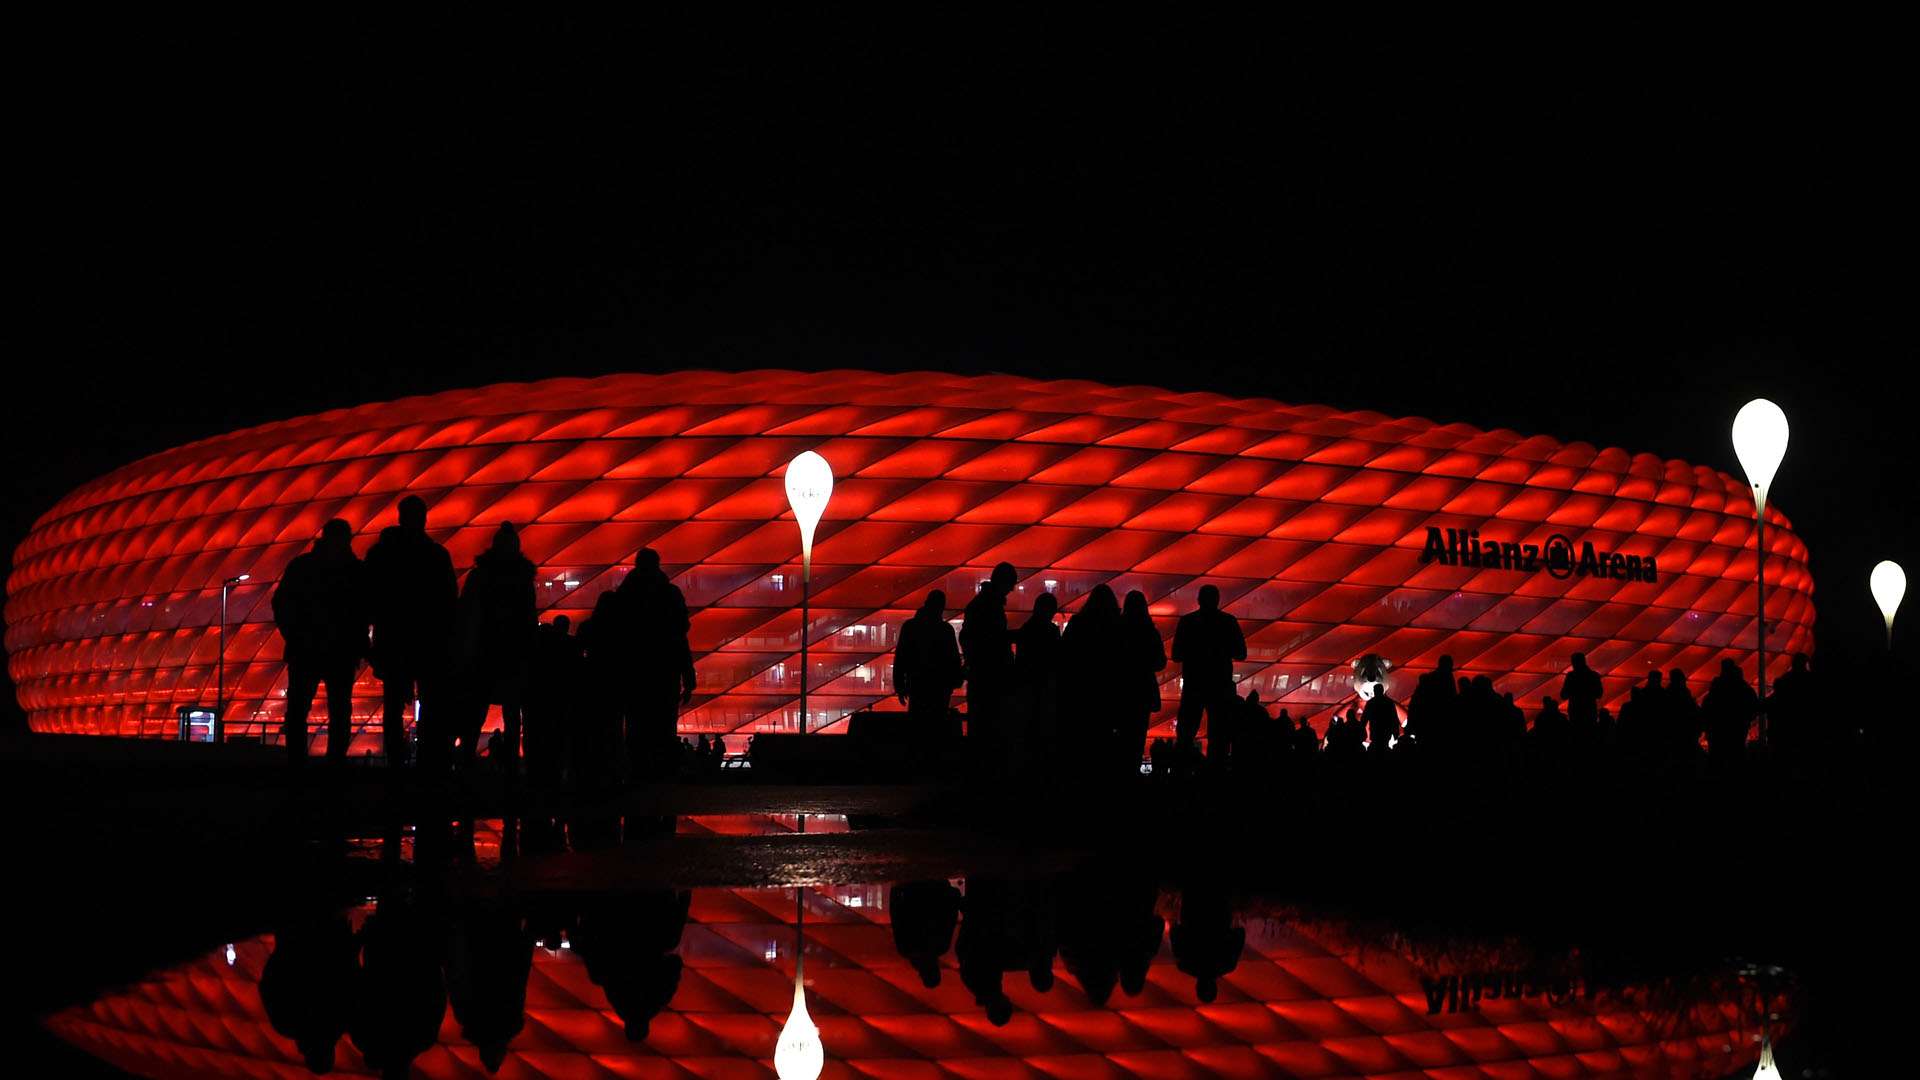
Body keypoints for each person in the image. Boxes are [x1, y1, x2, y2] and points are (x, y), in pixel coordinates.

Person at [363, 495, 458, 768]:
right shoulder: (436, 554)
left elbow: (367, 596)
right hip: (428, 642)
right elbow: (448, 600)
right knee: (428, 702)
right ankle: (429, 762)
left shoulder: (382, 553)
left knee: (393, 704)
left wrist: (370, 638)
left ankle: (395, 761)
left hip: (393, 640)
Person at [271, 518, 366, 764]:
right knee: (337, 709)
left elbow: (281, 603)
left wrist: (292, 634)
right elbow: (364, 610)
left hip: (307, 648)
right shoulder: (354, 571)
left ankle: (298, 762)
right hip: (336, 650)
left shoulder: (303, 566)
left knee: (301, 708)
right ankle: (333, 761)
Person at [449, 522, 537, 776]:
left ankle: (466, 761)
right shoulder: (522, 580)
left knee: (475, 710)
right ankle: (511, 766)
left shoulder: (480, 576)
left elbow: (466, 613)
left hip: (483, 653)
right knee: (512, 712)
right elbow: (529, 620)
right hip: (512, 655)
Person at [616, 548, 697, 781]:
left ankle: (637, 774)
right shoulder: (670, 594)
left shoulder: (625, 595)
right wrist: (688, 676)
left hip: (633, 672)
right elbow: (680, 636)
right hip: (665, 672)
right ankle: (662, 776)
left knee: (635, 726)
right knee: (664, 726)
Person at [1171, 584, 1246, 761]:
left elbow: (1176, 655)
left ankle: (1181, 773)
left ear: (1199, 600)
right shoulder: (1228, 622)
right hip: (1220, 686)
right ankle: (1215, 776)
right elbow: (1241, 653)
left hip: (1194, 684)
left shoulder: (1187, 622)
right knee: (1219, 736)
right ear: (1218, 600)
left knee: (1186, 733)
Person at [1060, 584, 1125, 769]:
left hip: (1082, 691)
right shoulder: (1117, 625)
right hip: (1107, 691)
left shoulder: (1078, 622)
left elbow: (1066, 656)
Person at [960, 563, 1018, 756]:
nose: (1012, 588)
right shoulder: (989, 606)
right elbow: (991, 639)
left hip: (982, 676)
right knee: (990, 726)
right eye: (1011, 583)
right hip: (990, 677)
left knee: (982, 726)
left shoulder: (980, 604)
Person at [895, 590, 964, 743]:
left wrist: (900, 686)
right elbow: (953, 660)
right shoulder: (945, 630)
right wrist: (956, 680)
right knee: (936, 731)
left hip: (917, 685)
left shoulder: (910, 627)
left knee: (918, 729)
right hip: (940, 688)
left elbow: (901, 658)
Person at [525, 616, 582, 790]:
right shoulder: (570, 646)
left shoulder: (540, 649)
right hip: (562, 698)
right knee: (560, 734)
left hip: (543, 698)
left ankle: (539, 773)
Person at [1116, 590, 1167, 776]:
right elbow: (1160, 662)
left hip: (1120, 691)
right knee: (1137, 735)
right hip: (1142, 691)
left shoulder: (1117, 629)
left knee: (1121, 735)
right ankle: (1132, 774)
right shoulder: (1150, 631)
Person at [1702, 659, 1758, 766]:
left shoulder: (1716, 687)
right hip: (1737, 728)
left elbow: (1707, 707)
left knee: (1718, 758)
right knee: (1736, 756)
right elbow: (1753, 706)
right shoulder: (1743, 687)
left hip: (1717, 729)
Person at [1408, 655, 1456, 753]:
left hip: (1426, 725)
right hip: (1441, 725)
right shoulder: (1448, 678)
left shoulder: (1430, 679)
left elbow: (1415, 703)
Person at [1559, 652, 1603, 742]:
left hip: (1575, 712)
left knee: (1577, 739)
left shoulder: (1571, 676)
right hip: (1590, 712)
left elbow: (1563, 695)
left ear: (1574, 663)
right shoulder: (1594, 676)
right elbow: (1599, 694)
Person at [1363, 684, 1399, 751]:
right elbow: (1394, 717)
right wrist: (1395, 732)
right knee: (1385, 746)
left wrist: (1362, 728)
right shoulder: (1389, 702)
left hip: (1375, 729)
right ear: (1382, 690)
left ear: (1375, 691)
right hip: (1386, 729)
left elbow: (1365, 717)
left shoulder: (1371, 703)